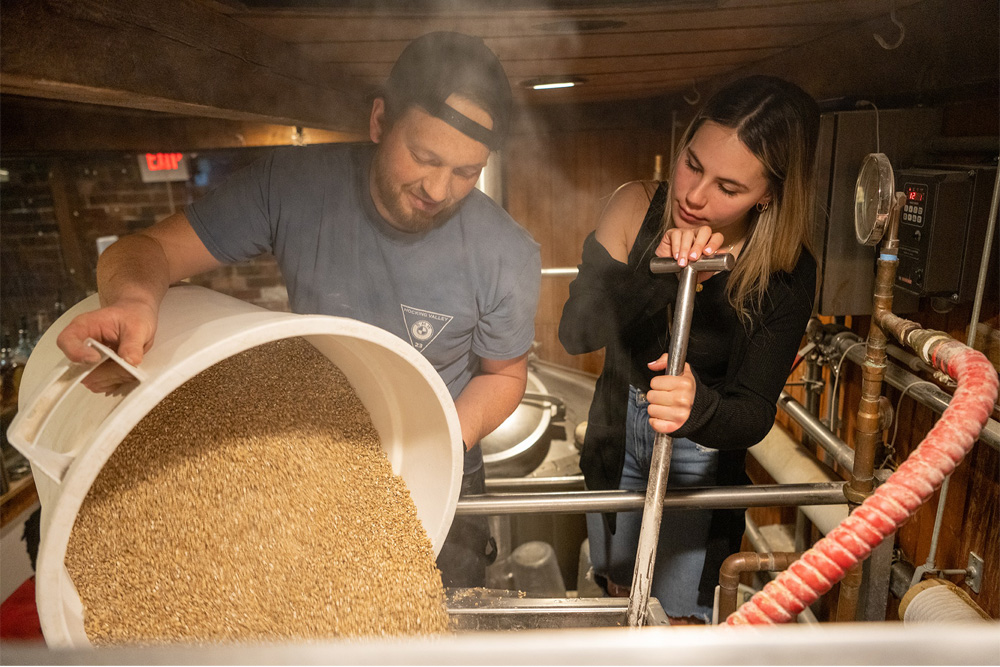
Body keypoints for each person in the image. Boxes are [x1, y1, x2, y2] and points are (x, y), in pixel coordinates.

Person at [56, 31, 542, 589]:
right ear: (380, 121)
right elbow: (145, 251)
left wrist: (438, 443)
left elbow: (504, 374)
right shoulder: (293, 187)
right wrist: (135, 300)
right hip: (315, 454)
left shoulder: (506, 252)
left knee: (437, 616)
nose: (438, 188)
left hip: (441, 463)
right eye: (424, 157)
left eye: (465, 172)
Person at [559, 75, 819, 623]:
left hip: (699, 460)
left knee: (674, 621)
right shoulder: (634, 208)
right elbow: (576, 333)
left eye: (729, 188)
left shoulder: (786, 270)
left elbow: (750, 414)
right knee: (615, 591)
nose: (694, 196)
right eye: (692, 164)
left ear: (769, 194)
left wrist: (697, 406)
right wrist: (665, 274)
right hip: (613, 431)